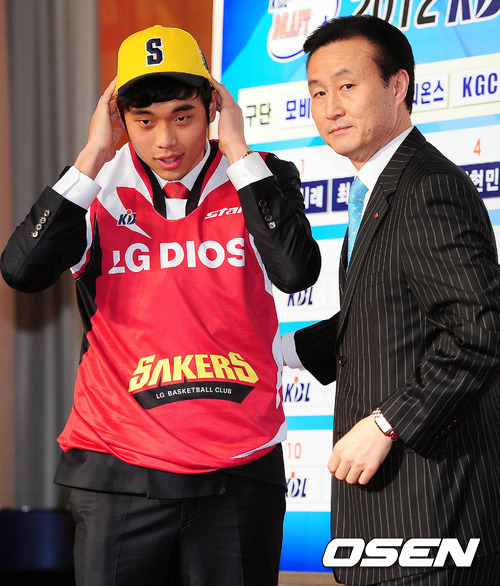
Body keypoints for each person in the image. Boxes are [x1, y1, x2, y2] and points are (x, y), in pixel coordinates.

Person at [1, 25, 321, 586]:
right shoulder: (94, 187)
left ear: (213, 108)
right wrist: (92, 156)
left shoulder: (258, 175)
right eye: (144, 121)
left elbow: (296, 273)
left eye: (183, 116)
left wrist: (239, 152)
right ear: (120, 118)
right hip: (117, 466)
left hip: (240, 467)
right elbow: (21, 272)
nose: (166, 140)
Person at [282, 14, 500, 586]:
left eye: (347, 86)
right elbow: (390, 313)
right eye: (318, 92)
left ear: (397, 85)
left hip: (431, 507)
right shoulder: (379, 185)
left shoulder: (427, 187)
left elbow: (481, 333)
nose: (330, 108)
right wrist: (276, 348)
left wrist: (385, 424)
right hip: (391, 513)